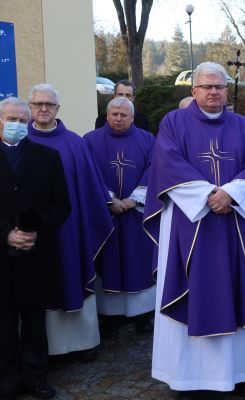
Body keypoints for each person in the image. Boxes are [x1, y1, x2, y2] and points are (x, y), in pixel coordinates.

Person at [143, 62, 245, 397]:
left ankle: (236, 373)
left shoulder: (243, 126)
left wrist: (232, 193)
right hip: (188, 223)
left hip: (232, 228)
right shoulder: (174, 122)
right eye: (207, 86)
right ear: (194, 90)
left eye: (220, 86)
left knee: (231, 290)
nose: (214, 92)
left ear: (227, 90)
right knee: (190, 290)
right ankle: (185, 377)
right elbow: (168, 163)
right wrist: (209, 195)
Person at [26, 84, 113, 361]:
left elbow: (90, 187)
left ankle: (82, 342)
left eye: (49, 105)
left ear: (57, 109)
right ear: (30, 107)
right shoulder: (17, 142)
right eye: (38, 104)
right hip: (31, 228)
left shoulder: (75, 143)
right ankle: (38, 348)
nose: (43, 109)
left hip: (70, 228)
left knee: (72, 273)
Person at [0, 97, 70, 400]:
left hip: (37, 253)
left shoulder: (48, 156)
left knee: (34, 322)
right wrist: (6, 235)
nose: (15, 124)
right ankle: (7, 380)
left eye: (20, 120)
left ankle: (36, 378)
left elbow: (62, 205)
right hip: (1, 255)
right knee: (2, 323)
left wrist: (34, 231)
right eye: (9, 119)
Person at [84, 97, 156, 337]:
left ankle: (142, 315)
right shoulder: (90, 141)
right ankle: (109, 316)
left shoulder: (148, 140)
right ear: (107, 115)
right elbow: (89, 173)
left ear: (133, 117)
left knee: (139, 261)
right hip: (105, 215)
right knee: (108, 261)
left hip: (136, 214)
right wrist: (109, 199)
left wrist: (133, 199)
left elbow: (154, 169)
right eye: (114, 114)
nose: (118, 118)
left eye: (124, 115)